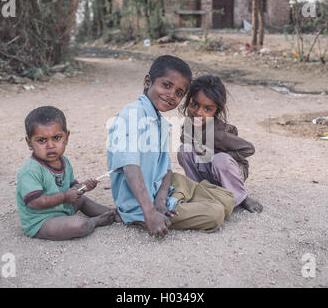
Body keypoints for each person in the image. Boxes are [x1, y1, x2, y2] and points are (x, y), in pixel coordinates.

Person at [107, 55, 235, 238]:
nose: (171, 95)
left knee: (228, 200)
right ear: (148, 81)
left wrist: (161, 199)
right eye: (166, 85)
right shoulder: (132, 115)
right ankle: (171, 202)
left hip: (161, 189)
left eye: (179, 93)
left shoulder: (160, 122)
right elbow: (130, 167)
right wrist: (151, 212)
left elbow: (166, 168)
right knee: (215, 214)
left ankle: (174, 199)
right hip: (140, 205)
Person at [16, 106, 117, 240]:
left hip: (62, 209)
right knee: (78, 225)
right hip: (42, 220)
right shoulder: (30, 170)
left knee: (81, 199)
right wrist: (65, 197)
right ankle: (96, 221)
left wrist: (83, 187)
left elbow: (71, 187)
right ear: (29, 143)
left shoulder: (64, 161)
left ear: (67, 137)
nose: (50, 145)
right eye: (41, 140)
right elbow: (34, 202)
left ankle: (115, 214)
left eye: (57, 138)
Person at [178, 75, 263, 213]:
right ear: (188, 101)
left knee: (220, 159)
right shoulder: (190, 124)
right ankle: (199, 190)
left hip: (231, 171)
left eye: (207, 109)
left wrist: (221, 154)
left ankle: (240, 197)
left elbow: (249, 149)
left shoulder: (218, 133)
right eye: (194, 104)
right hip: (210, 170)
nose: (199, 112)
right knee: (184, 150)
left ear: (216, 111)